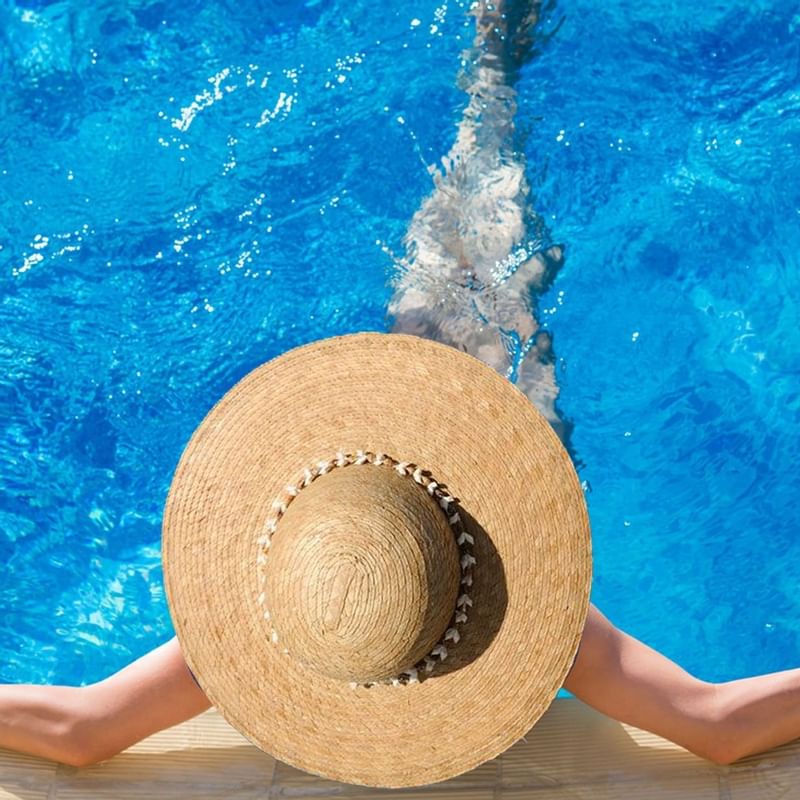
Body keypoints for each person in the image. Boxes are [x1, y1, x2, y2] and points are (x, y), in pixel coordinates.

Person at [2, 0, 799, 778]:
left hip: (464, 474)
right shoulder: (548, 630)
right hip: (431, 473)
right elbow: (718, 725)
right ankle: (491, 75)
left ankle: (490, 83)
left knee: (487, 258)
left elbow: (83, 730)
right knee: (466, 252)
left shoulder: (298, 605)